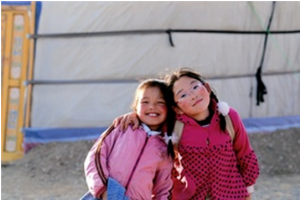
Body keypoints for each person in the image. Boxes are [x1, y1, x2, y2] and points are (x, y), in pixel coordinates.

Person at [114, 68, 260, 200]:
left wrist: (248, 191)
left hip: (231, 195)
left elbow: (244, 154)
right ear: (176, 108)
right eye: (183, 95)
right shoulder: (172, 125)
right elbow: (151, 119)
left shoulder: (228, 117)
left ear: (207, 88)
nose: (192, 95)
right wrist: (135, 115)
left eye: (195, 86)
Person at [82, 79, 175, 200]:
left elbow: (163, 189)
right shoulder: (122, 128)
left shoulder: (165, 148)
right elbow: (96, 157)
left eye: (160, 102)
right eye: (145, 101)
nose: (152, 107)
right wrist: (103, 189)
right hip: (103, 195)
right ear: (136, 106)